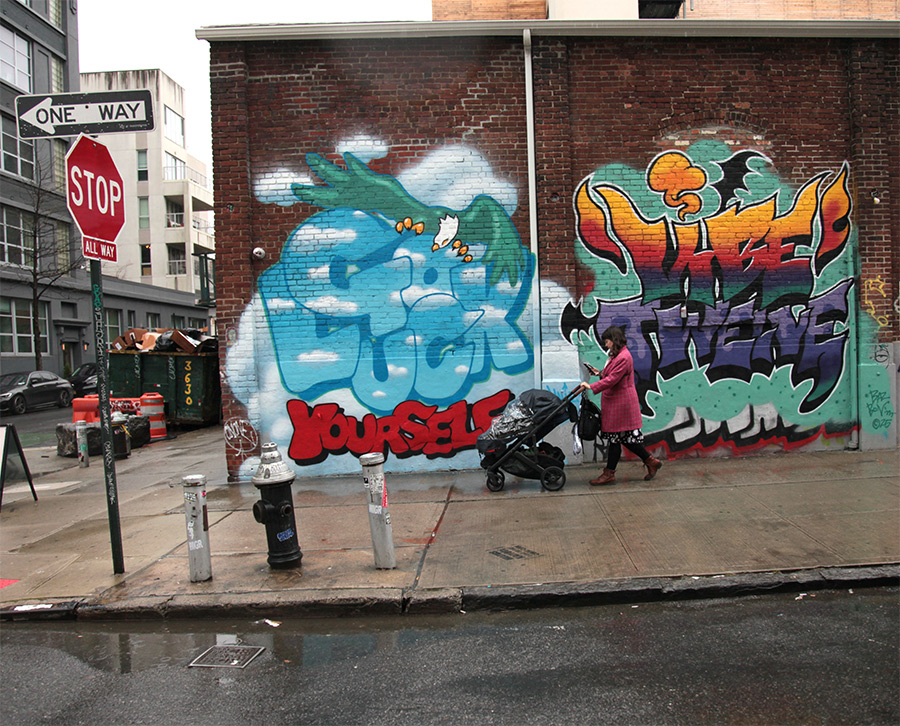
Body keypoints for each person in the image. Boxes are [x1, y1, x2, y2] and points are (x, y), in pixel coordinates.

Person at [578, 325, 662, 485]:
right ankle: (650, 461)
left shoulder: (624, 357)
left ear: (614, 340)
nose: (606, 344)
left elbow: (613, 379)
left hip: (621, 404)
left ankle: (610, 473)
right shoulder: (617, 356)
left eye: (607, 341)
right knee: (622, 439)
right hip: (616, 403)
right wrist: (599, 373)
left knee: (617, 439)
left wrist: (592, 386)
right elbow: (610, 375)